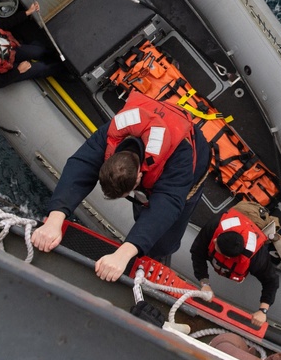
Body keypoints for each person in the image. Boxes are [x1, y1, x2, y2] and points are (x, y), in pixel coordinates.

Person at [31, 90, 210, 282]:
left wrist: (123, 254)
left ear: (140, 175)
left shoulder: (179, 159)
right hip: (156, 135)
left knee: (164, 236)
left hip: (190, 162)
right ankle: (139, 243)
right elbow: (82, 164)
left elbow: (167, 205)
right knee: (142, 210)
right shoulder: (114, 132)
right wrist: (55, 218)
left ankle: (153, 260)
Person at [190, 206, 279, 327]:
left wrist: (263, 310)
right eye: (216, 241)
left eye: (218, 247)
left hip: (256, 228)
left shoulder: (256, 257)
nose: (214, 241)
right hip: (240, 214)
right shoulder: (215, 225)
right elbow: (197, 252)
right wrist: (204, 283)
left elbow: (271, 280)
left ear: (229, 257)